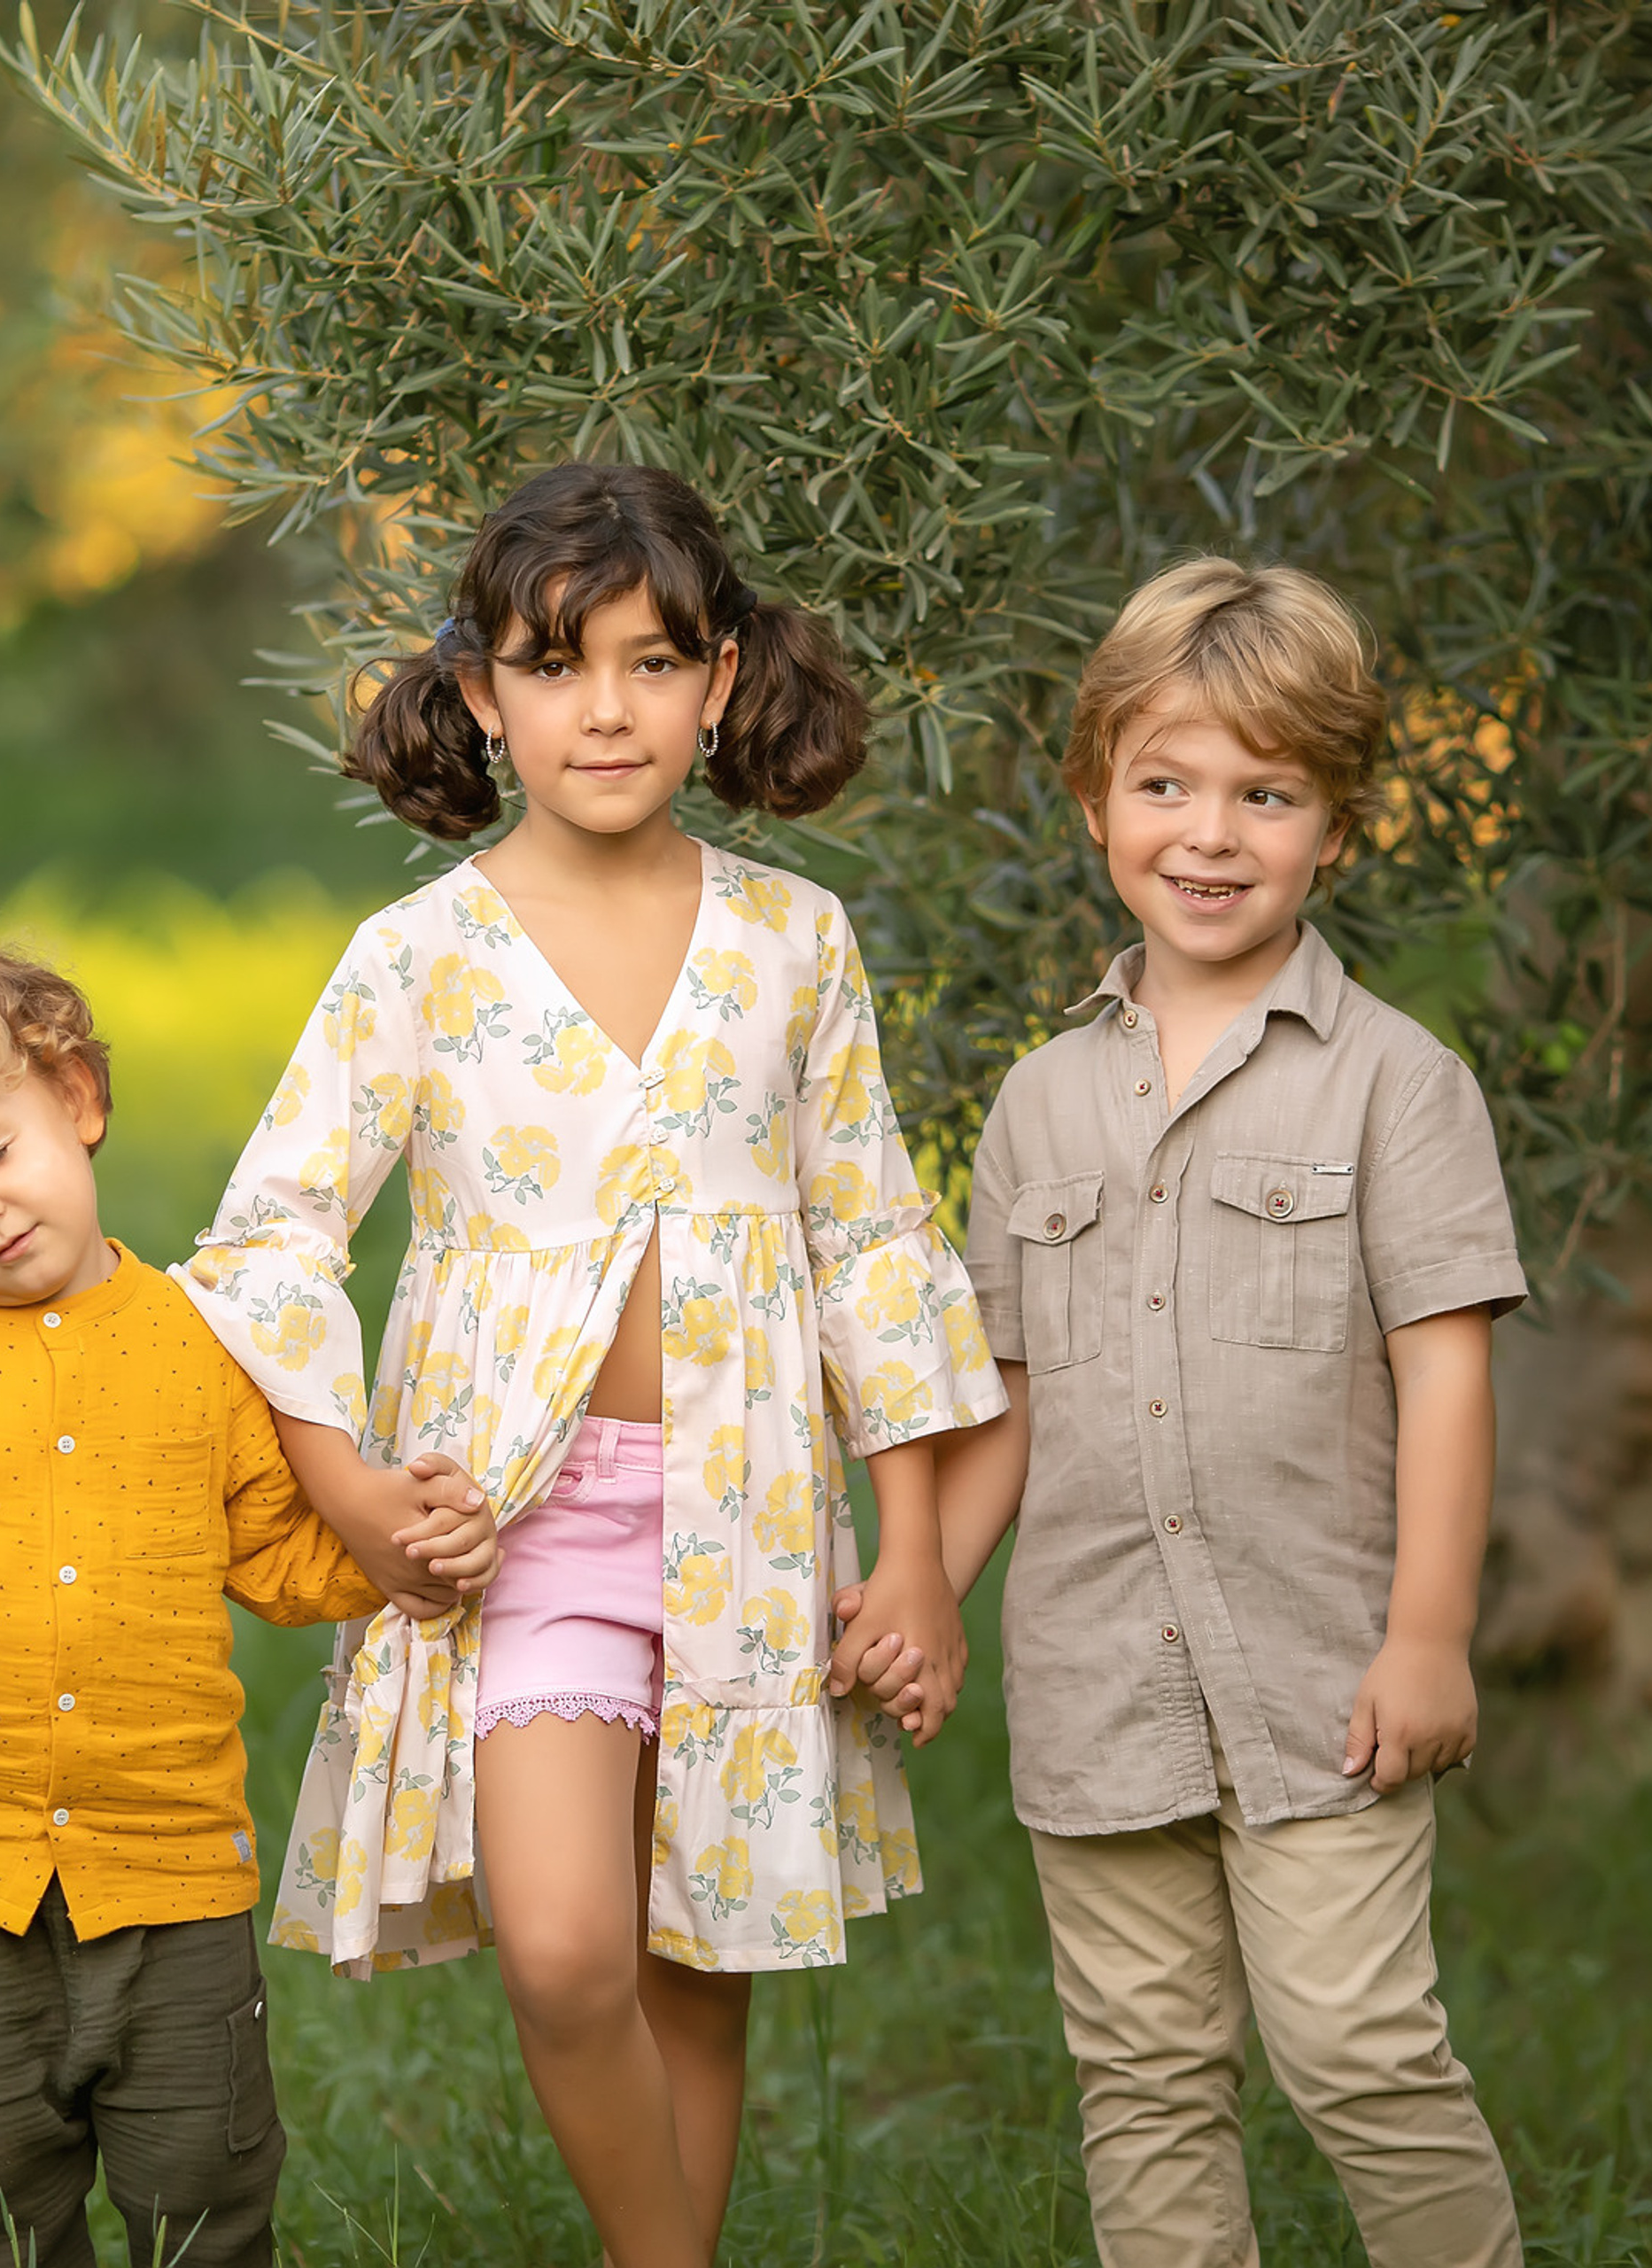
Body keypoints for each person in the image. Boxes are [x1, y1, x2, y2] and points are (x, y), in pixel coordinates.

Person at [182, 462, 1009, 2268]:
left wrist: (921, 1554)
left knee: (695, 1943)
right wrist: (355, 1495)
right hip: (518, 1526)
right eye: (555, 667)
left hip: (749, 1520)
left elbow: (873, 1245)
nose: (608, 707)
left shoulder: (792, 940)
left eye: (652, 660)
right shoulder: (418, 957)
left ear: (720, 679)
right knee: (566, 1947)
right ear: (481, 694)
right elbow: (268, 1239)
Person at [869, 557, 1526, 2266]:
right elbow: (1005, 1388)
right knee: (1145, 2075)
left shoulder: (1400, 1084)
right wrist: (921, 1574)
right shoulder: (1037, 1103)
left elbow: (1445, 1371)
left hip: (1327, 1679)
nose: (1210, 834)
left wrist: (1431, 1634)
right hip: (1099, 1685)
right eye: (1166, 784)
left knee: (1361, 2053)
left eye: (1267, 793)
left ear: (1337, 827)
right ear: (1097, 802)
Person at [0, 936, 497, 2268]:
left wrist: (412, 1556)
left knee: (204, 2196)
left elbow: (282, 1555)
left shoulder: (201, 1345)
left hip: (171, 1876)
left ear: (78, 1098)